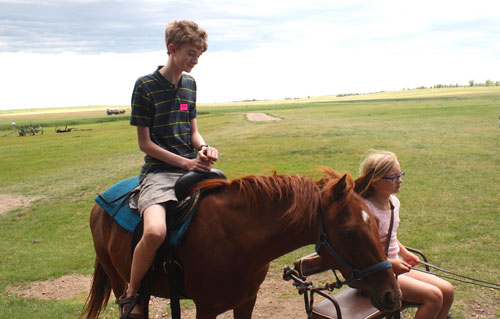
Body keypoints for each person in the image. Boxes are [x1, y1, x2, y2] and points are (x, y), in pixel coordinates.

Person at [118, 20, 219, 319]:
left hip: (192, 167)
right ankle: (131, 293)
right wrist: (186, 162)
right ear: (172, 49)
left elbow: (193, 134)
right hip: (159, 173)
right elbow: (145, 144)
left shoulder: (190, 85)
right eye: (191, 53)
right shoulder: (145, 86)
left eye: (199, 54)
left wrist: (205, 148)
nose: (196, 60)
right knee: (155, 231)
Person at [355, 150, 454, 319]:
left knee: (447, 290)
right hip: (373, 274)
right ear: (375, 182)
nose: (399, 180)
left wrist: (404, 253)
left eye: (400, 174)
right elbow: (360, 254)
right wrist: (390, 263)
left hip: (393, 267)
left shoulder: (394, 202)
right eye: (393, 177)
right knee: (433, 297)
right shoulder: (365, 210)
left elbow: (388, 236)